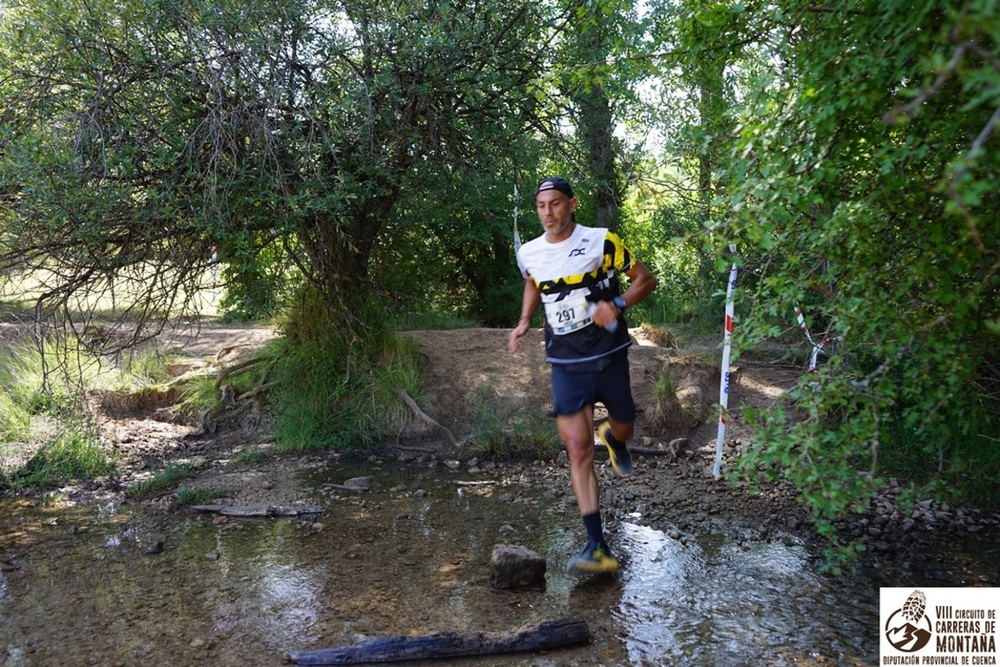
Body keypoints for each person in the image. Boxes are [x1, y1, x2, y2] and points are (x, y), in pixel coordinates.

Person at [507, 176, 657, 574]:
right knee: (577, 450)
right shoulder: (530, 252)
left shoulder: (602, 241)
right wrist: (523, 320)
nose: (548, 213)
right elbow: (532, 283)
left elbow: (646, 279)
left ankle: (614, 437)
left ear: (572, 204)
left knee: (624, 425)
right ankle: (597, 546)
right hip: (566, 363)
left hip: (608, 355)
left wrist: (619, 303)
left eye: (555, 204)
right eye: (541, 206)